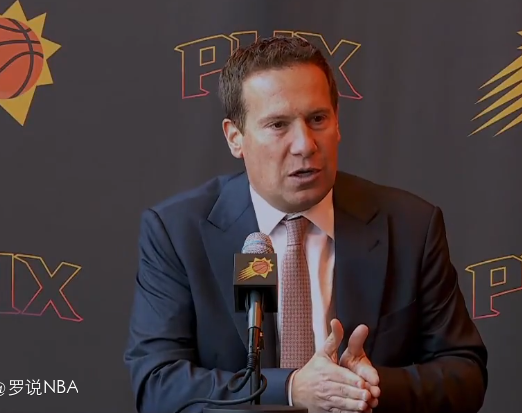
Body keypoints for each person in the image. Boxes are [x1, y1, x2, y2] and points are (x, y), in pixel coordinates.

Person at [124, 36, 488, 413]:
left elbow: (465, 373)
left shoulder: (409, 225)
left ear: (337, 123)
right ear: (235, 138)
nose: (305, 145)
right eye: (278, 125)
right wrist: (291, 388)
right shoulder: (178, 232)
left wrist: (364, 388)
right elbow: (157, 384)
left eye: (317, 119)